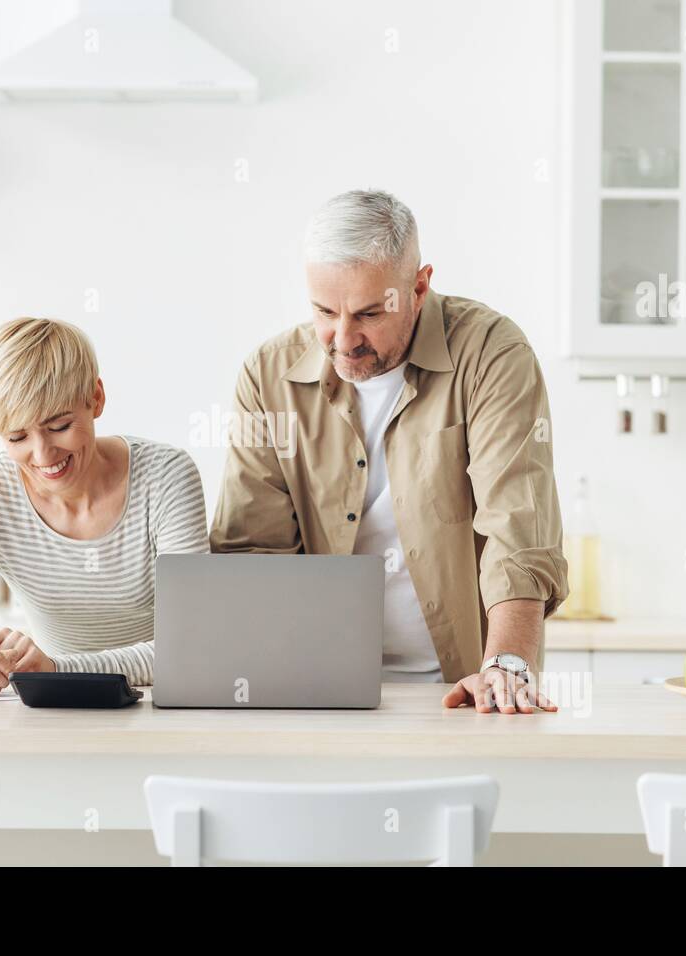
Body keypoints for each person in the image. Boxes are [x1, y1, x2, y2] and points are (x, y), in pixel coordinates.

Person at [211, 189, 569, 714]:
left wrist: (508, 664)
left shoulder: (491, 353)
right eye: (324, 311)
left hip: (467, 687)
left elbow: (518, 526)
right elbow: (252, 550)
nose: (343, 339)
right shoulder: (268, 378)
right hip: (318, 690)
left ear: (419, 287)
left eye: (370, 313)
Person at [0, 317, 208, 694]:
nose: (42, 455)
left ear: (96, 399)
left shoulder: (165, 477)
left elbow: (192, 645)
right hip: (50, 713)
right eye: (17, 436)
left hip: (158, 705)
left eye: (59, 427)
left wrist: (57, 668)